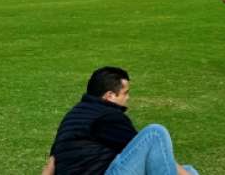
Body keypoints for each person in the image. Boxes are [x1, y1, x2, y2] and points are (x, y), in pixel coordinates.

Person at [42, 66, 197, 175]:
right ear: (110, 96)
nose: (128, 98)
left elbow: (52, 161)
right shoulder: (107, 116)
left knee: (187, 170)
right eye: (125, 93)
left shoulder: (74, 116)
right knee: (155, 134)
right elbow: (145, 150)